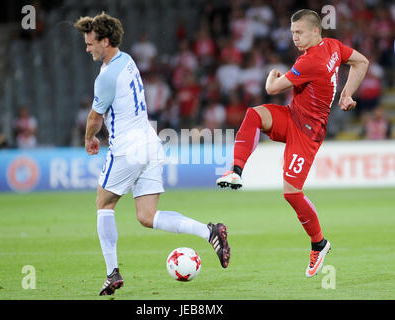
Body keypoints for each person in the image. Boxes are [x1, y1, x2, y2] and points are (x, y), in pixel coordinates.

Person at [74, 12, 230, 296]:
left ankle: (112, 273)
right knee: (147, 216)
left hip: (127, 149)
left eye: (90, 43)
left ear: (105, 41)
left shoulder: (107, 76)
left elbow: (95, 117)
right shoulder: (128, 60)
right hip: (150, 142)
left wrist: (89, 139)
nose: (87, 48)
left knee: (103, 204)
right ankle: (209, 232)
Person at [216, 9, 369, 278]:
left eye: (299, 33)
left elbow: (272, 89)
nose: (295, 38)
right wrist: (346, 95)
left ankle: (319, 244)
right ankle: (236, 171)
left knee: (291, 193)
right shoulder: (332, 46)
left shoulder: (311, 61)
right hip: (293, 116)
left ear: (314, 31)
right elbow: (361, 62)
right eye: (292, 33)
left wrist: (270, 77)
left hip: (308, 133)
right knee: (254, 115)